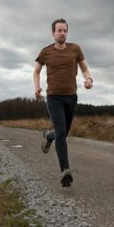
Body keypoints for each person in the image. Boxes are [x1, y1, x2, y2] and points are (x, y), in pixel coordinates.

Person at [33, 18, 93, 187]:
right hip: (54, 97)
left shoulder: (75, 49)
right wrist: (37, 88)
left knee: (62, 133)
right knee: (61, 131)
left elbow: (84, 68)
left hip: (71, 96)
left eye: (65, 30)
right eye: (59, 30)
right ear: (53, 33)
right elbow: (36, 71)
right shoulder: (46, 52)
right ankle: (65, 170)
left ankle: (49, 136)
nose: (62, 33)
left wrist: (89, 79)